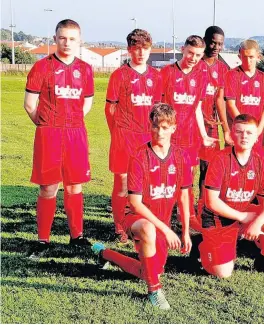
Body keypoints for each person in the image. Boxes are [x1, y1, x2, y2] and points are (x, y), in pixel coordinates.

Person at [91, 104, 193, 310]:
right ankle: (154, 291)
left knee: (148, 271)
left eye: (165, 127)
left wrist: (186, 233)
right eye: (156, 127)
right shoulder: (139, 156)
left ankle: (105, 253)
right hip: (135, 218)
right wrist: (166, 229)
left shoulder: (182, 157)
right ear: (150, 126)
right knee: (147, 230)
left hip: (161, 223)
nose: (160, 132)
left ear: (174, 128)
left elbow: (184, 197)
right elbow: (135, 203)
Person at [24, 19, 94, 259]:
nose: (67, 42)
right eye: (62, 37)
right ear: (55, 39)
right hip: (49, 133)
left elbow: (87, 103)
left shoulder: (85, 69)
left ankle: (77, 236)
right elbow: (29, 105)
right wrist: (47, 125)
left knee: (75, 185)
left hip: (75, 133)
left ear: (79, 40)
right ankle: (43, 240)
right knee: (48, 187)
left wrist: (70, 122)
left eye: (72, 38)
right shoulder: (42, 67)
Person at [200, 114, 264, 278]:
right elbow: (211, 202)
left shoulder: (259, 162)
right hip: (217, 218)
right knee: (223, 273)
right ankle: (201, 247)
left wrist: (257, 223)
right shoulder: (220, 159)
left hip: (243, 214)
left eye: (249, 133)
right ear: (231, 135)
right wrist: (242, 217)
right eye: (240, 132)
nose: (244, 137)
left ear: (257, 137)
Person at [105, 29, 163, 245]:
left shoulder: (156, 77)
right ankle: (119, 227)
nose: (141, 53)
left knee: (146, 183)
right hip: (124, 137)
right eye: (136, 48)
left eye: (145, 49)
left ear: (150, 50)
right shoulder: (119, 76)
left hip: (147, 138)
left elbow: (158, 111)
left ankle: (141, 222)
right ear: (129, 50)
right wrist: (118, 133)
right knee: (122, 183)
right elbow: (110, 110)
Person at [161, 34, 217, 173]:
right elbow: (158, 105)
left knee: (187, 176)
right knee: (168, 173)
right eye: (190, 53)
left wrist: (204, 135)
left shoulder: (201, 76)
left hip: (190, 136)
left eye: (198, 55)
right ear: (182, 50)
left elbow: (197, 108)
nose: (193, 58)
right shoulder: (166, 72)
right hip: (169, 134)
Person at [198, 26, 231, 192]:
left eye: (220, 44)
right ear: (205, 41)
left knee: (208, 168)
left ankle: (203, 208)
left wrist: (226, 129)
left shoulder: (223, 69)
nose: (216, 47)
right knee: (184, 169)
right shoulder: (194, 63)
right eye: (212, 43)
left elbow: (220, 100)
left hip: (211, 126)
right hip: (189, 125)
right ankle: (177, 207)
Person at [224, 40, 264, 156]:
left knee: (257, 167)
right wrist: (245, 128)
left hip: (257, 134)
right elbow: (230, 105)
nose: (248, 61)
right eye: (244, 57)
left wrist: (258, 130)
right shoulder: (232, 75)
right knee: (234, 168)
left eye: (251, 57)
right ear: (239, 56)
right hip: (239, 132)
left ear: (258, 56)